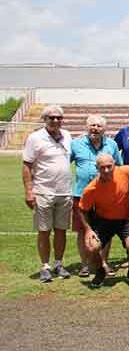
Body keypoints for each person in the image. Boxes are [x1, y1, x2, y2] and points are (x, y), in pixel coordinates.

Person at [22, 104, 73, 282]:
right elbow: (27, 165)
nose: (56, 120)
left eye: (59, 117)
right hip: (43, 191)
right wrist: (29, 191)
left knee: (61, 230)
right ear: (44, 119)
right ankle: (45, 266)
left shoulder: (67, 135)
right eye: (51, 117)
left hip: (65, 192)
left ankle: (59, 264)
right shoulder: (35, 138)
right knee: (44, 230)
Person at [76, 154, 129, 287]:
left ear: (114, 165)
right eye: (102, 168)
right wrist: (88, 230)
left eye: (109, 167)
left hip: (126, 220)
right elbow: (82, 210)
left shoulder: (125, 171)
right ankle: (100, 271)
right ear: (97, 168)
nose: (106, 170)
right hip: (104, 221)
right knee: (92, 247)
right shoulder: (91, 188)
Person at [70, 115, 122, 277]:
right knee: (82, 231)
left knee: (105, 230)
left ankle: (103, 263)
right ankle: (85, 264)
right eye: (92, 125)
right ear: (87, 127)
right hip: (81, 194)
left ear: (104, 129)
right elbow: (64, 163)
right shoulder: (76, 144)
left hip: (105, 195)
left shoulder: (112, 144)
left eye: (99, 126)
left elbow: (119, 167)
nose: (95, 128)